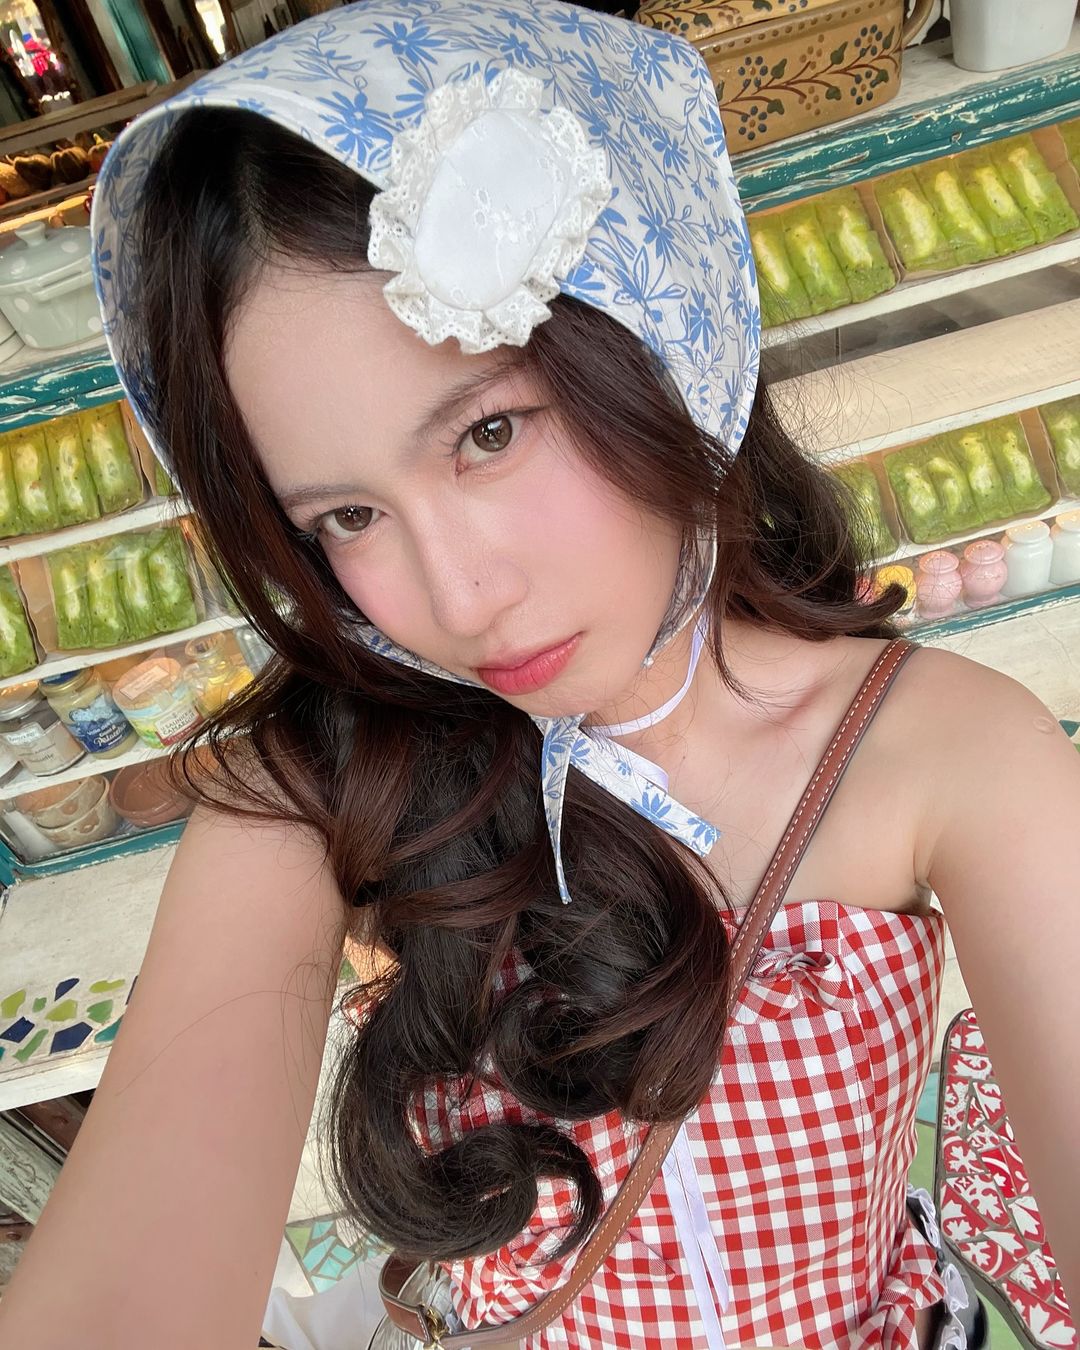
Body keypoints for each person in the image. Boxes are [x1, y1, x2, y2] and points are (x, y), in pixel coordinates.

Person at [2, 3, 1078, 1348]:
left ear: (657, 331)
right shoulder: (324, 786)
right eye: (347, 516)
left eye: (490, 434)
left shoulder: (946, 754)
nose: (455, 600)